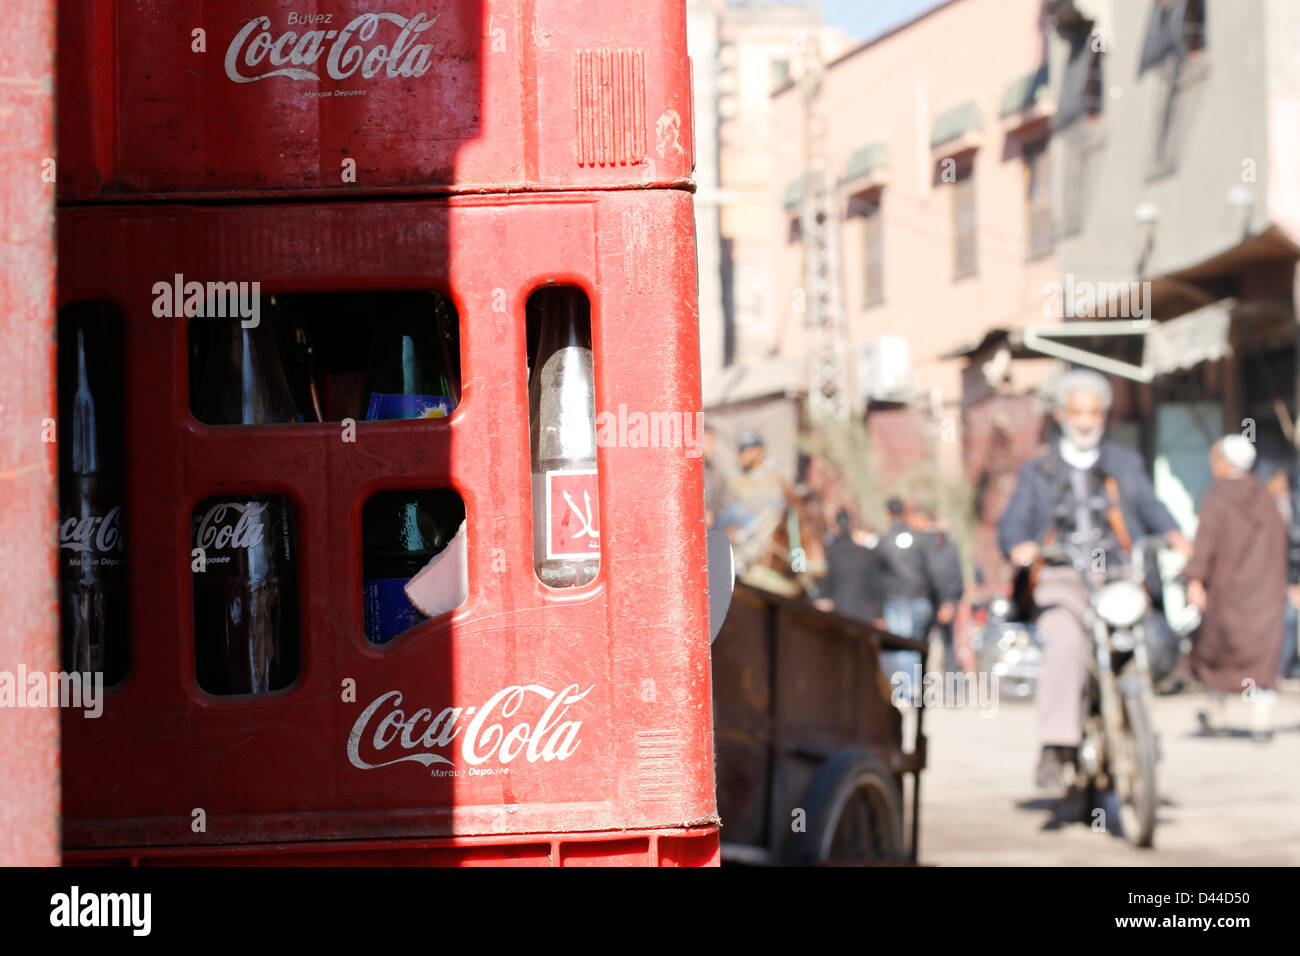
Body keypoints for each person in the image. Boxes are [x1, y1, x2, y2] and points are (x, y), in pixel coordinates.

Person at [998, 369, 1192, 788]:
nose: (1086, 422)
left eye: (1093, 413)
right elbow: (1013, 521)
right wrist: (1019, 546)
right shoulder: (1039, 470)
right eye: (1077, 413)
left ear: (1104, 415)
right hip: (1062, 577)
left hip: (1118, 576)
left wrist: (1174, 533)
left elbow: (1150, 504)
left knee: (1151, 639)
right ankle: (1057, 743)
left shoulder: (1124, 462)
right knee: (1065, 642)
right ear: (1062, 414)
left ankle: (1138, 726)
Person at [1185, 436, 1287, 741]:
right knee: (1262, 655)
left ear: (1226, 462)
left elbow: (1205, 545)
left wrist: (1195, 579)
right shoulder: (1266, 496)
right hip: (1266, 590)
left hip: (1226, 592)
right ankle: (1261, 720)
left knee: (1218, 650)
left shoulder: (1217, 498)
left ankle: (1218, 708)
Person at [876, 497, 943, 702]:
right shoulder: (920, 539)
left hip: (896, 601)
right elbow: (932, 570)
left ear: (888, 514)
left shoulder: (884, 541)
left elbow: (878, 574)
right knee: (916, 645)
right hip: (920, 599)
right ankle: (915, 688)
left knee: (903, 647)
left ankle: (908, 690)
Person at [909, 502, 964, 674]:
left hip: (934, 599)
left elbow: (945, 572)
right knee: (940, 645)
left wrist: (947, 601)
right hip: (930, 599)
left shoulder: (936, 542)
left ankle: (949, 687)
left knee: (937, 645)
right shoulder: (940, 541)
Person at [1263, 464, 1300, 680]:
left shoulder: (1284, 504)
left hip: (1283, 576)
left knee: (1287, 618)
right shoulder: (1283, 504)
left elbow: (1293, 544)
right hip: (1280, 575)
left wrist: (1293, 580)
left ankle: (1280, 668)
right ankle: (1280, 668)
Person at [820, 509, 882, 623]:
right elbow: (876, 584)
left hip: (838, 614)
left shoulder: (830, 554)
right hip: (864, 615)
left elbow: (825, 583)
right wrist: (879, 614)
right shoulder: (866, 554)